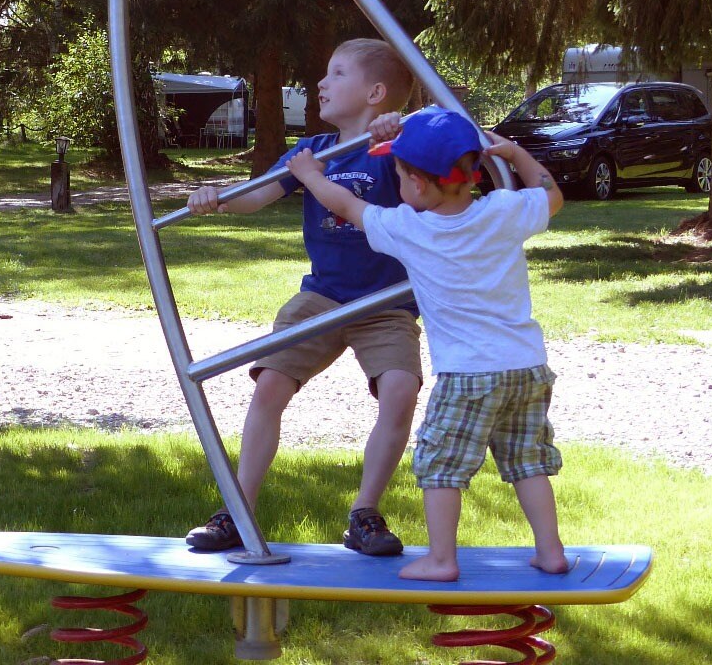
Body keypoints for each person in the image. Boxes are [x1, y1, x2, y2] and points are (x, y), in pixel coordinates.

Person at [286, 106, 568, 582]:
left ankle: (441, 559)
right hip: (527, 367)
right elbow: (551, 194)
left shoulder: (409, 230)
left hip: (467, 374)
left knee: (441, 466)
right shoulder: (504, 211)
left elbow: (346, 206)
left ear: (416, 184)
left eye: (397, 173)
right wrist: (517, 154)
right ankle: (551, 550)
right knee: (528, 462)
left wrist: (311, 175)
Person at [184, 38, 423, 557]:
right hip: (322, 296)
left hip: (387, 303)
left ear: (375, 93)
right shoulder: (310, 151)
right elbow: (256, 196)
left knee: (401, 391)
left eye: (337, 73)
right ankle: (238, 511)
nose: (321, 82)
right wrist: (216, 200)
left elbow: (435, 178)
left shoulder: (399, 145)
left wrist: (400, 135)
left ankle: (364, 514)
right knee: (269, 383)